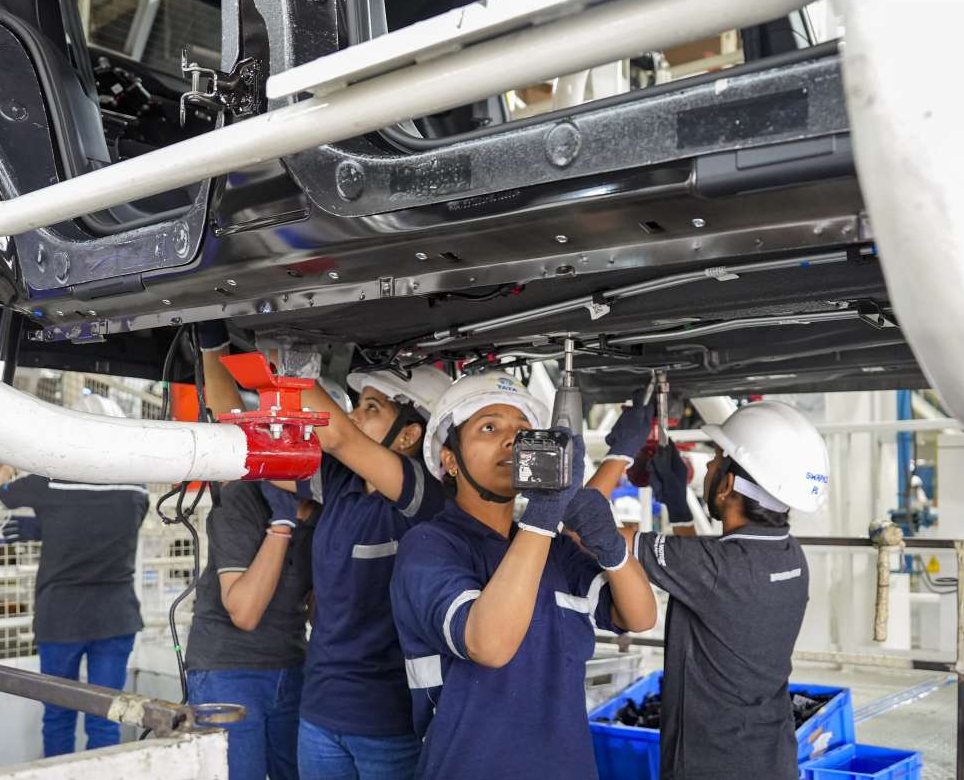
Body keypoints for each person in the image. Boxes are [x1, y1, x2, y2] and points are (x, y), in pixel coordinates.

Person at [198, 323, 451, 780]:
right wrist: (213, 351)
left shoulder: (422, 497)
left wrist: (291, 363)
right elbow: (238, 442)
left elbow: (341, 438)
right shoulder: (340, 485)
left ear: (409, 435)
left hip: (387, 723)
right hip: (319, 715)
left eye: (371, 408)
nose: (354, 416)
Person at [389, 371, 658, 780]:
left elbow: (639, 617)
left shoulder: (554, 549)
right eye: (489, 427)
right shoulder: (429, 546)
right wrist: (543, 516)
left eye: (523, 431)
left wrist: (611, 548)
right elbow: (489, 645)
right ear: (450, 460)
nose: (511, 441)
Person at [637, 400, 830, 780]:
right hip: (771, 759)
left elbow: (600, 536)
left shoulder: (719, 568)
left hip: (709, 764)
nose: (708, 468)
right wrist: (678, 504)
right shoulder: (789, 555)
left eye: (715, 459)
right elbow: (701, 578)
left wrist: (617, 455)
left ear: (727, 486)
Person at [0, 394, 148, 757]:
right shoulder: (137, 486)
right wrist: (52, 526)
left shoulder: (47, 483)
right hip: (116, 616)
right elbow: (108, 527)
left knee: (58, 716)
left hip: (60, 617)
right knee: (106, 717)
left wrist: (9, 465)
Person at [185, 480, 319, 780]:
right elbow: (244, 613)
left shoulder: (327, 503)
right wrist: (281, 525)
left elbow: (319, 614)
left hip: (293, 665)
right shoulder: (242, 496)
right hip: (229, 671)